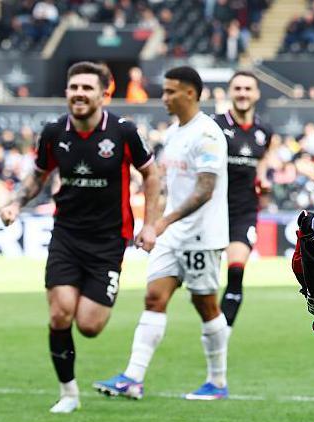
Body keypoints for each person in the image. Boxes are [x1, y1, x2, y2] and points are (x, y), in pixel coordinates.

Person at [0, 61, 160, 413]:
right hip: (66, 236)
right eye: (74, 88)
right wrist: (14, 203)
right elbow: (38, 176)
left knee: (88, 325)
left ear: (104, 93)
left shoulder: (123, 131)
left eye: (87, 88)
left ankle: (97, 303)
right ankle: (68, 392)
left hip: (109, 241)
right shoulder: (55, 131)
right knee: (59, 316)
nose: (79, 94)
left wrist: (149, 224)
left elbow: (151, 174)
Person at [94, 66, 232, 401]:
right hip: (171, 234)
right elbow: (167, 185)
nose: (164, 97)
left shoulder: (208, 134)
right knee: (154, 298)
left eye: (171, 91)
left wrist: (163, 222)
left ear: (190, 93)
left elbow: (205, 190)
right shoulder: (174, 133)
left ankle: (217, 381)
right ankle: (133, 378)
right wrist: (154, 224)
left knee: (206, 306)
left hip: (202, 235)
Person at [212, 71, 277, 327]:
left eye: (248, 89)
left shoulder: (264, 131)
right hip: (212, 211)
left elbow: (262, 165)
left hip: (244, 212)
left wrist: (265, 185)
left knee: (236, 271)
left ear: (257, 94)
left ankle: (223, 333)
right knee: (203, 282)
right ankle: (212, 327)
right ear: (230, 92)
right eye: (237, 88)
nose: (242, 93)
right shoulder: (214, 125)